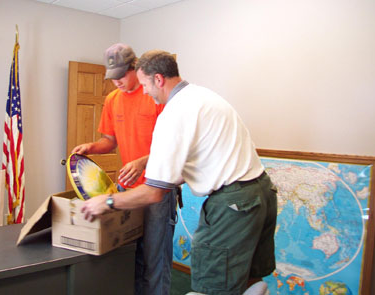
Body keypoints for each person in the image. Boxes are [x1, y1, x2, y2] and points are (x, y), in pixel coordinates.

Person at [81, 50, 277, 295]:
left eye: (144, 85)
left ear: (159, 80)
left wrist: (107, 202)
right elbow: (199, 159)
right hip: (263, 193)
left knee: (211, 286)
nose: (143, 91)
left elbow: (154, 193)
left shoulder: (173, 114)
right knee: (251, 281)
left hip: (233, 205)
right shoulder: (203, 96)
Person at [72, 44, 177, 295]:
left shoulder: (155, 94)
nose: (116, 81)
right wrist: (91, 147)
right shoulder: (112, 100)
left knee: (155, 259)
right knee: (129, 255)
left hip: (157, 188)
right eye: (112, 77)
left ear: (135, 68)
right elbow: (110, 141)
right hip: (126, 189)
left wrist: (142, 161)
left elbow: (173, 145)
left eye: (121, 75)